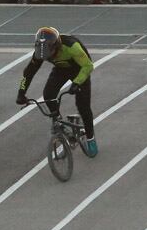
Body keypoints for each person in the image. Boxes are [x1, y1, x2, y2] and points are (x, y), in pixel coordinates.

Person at [17, 25, 98, 156]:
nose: (47, 56)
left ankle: (90, 138)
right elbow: (28, 72)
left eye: (50, 53)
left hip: (79, 70)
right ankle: (58, 121)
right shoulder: (41, 50)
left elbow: (88, 66)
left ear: (57, 46)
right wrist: (21, 93)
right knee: (48, 94)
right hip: (61, 69)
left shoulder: (72, 47)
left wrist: (77, 83)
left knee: (83, 106)